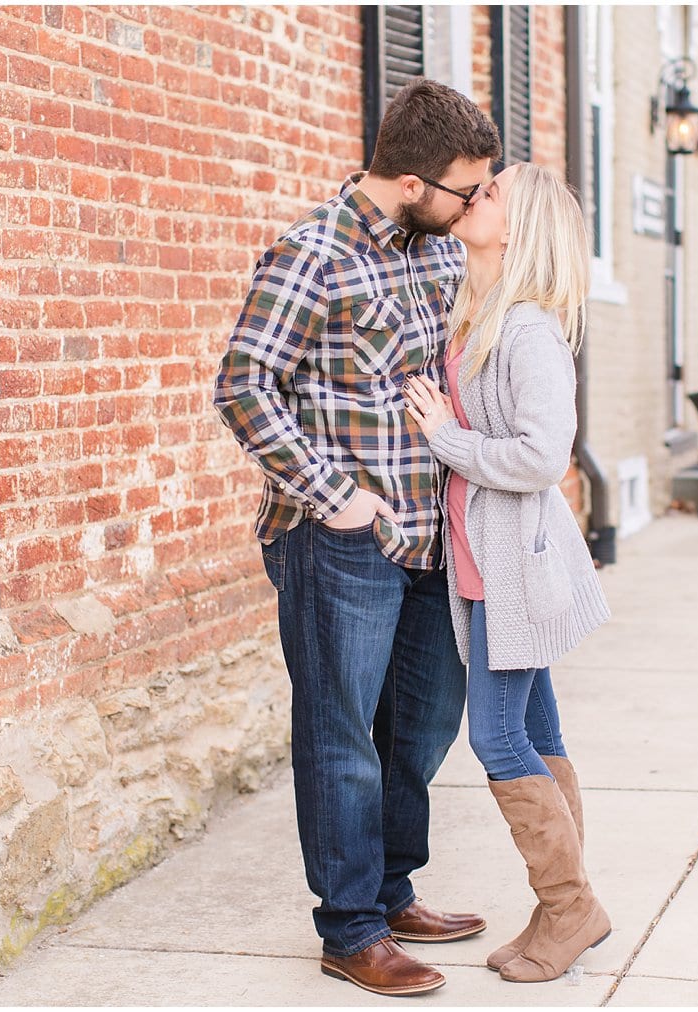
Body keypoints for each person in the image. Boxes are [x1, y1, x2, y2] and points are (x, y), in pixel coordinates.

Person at [212, 79, 502, 997]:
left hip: (429, 535)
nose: (473, 206)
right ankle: (349, 929)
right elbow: (243, 384)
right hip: (339, 542)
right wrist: (332, 494)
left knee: (418, 729)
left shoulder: (434, 254)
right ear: (413, 180)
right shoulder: (313, 253)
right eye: (466, 189)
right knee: (339, 734)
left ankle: (388, 889)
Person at [402, 162, 612, 984]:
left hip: (513, 566)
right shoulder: (480, 314)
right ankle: (565, 907)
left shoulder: (526, 330)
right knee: (539, 734)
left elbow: (540, 455)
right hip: (489, 557)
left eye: (490, 194)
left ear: (519, 228)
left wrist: (444, 436)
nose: (472, 196)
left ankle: (568, 907)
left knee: (495, 736)